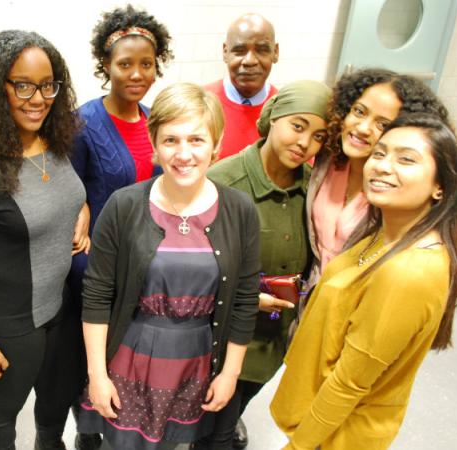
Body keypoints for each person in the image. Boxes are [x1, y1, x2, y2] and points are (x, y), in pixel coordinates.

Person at [78, 82, 261, 450]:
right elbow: (97, 295)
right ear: (154, 142)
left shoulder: (239, 210)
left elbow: (244, 299)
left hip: (197, 360)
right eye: (171, 140)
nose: (184, 153)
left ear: (217, 143)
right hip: (132, 358)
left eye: (196, 140)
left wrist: (230, 373)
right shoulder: (123, 205)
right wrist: (97, 375)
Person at [270, 113, 457, 450]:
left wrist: (298, 446)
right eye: (380, 153)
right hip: (317, 415)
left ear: (440, 186)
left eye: (406, 159)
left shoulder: (409, 270)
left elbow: (350, 383)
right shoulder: (384, 233)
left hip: (334, 436)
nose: (383, 166)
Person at [0, 30, 85, 450]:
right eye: (23, 86)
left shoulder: (57, 138)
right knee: (1, 419)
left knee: (55, 405)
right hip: (9, 323)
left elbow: (68, 196)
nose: (38, 98)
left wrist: (83, 213)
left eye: (48, 85)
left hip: (60, 308)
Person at [202, 80, 331, 450]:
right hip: (222, 337)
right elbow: (190, 263)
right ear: (272, 116)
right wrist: (246, 297)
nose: (305, 143)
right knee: (217, 430)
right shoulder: (223, 182)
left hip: (276, 336)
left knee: (235, 404)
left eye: (319, 135)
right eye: (298, 125)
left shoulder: (315, 187)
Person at [70, 6, 173, 447]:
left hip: (147, 258)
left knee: (129, 352)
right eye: (125, 64)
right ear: (105, 66)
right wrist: (82, 209)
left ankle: (122, 420)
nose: (136, 73)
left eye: (146, 64)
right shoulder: (83, 122)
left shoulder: (157, 121)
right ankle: (88, 428)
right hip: (98, 262)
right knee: (93, 351)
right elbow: (67, 185)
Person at [306, 68, 451, 288]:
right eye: (359, 111)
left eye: (382, 124)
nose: (363, 128)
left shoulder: (399, 192)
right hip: (313, 296)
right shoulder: (327, 161)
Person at [204, 13, 279, 160]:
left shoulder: (286, 113)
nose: (249, 61)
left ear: (275, 52)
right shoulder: (198, 104)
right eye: (239, 50)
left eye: (261, 50)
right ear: (225, 52)